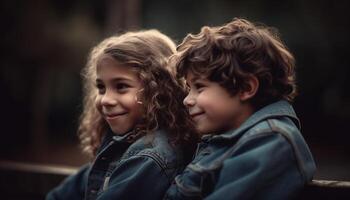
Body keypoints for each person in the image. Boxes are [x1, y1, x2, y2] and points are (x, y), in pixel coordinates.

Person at [164, 18, 316, 199]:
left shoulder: (269, 142)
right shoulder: (226, 136)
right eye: (189, 88)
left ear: (246, 88)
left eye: (200, 87)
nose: (187, 100)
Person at [46, 29, 197, 200]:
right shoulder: (121, 143)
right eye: (101, 88)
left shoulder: (149, 157)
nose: (105, 100)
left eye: (121, 86)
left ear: (159, 89)